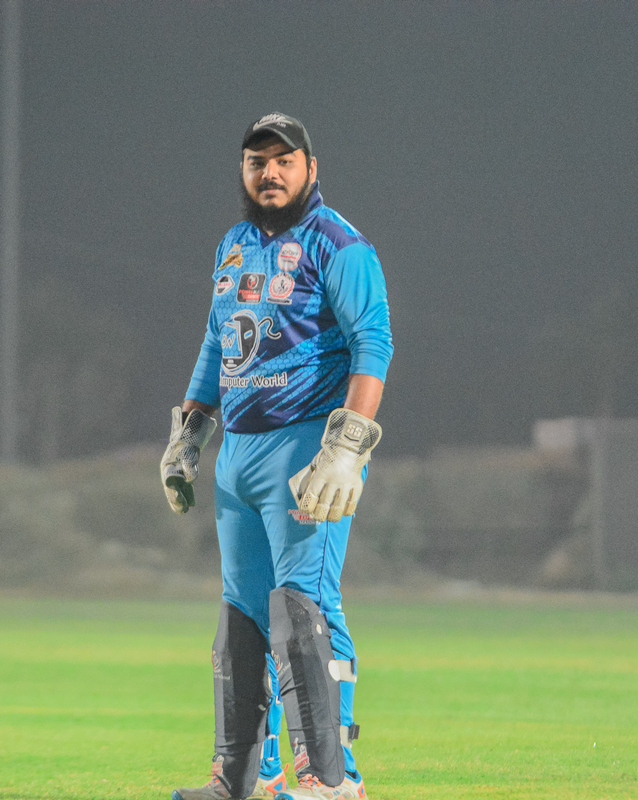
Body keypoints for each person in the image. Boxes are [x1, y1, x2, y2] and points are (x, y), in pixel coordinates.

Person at [160, 113, 393, 800]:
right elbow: (217, 343)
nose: (270, 172)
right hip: (238, 451)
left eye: (284, 160)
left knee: (303, 606)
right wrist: (189, 434)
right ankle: (243, 777)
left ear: (310, 169)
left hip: (305, 445)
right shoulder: (234, 244)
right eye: (257, 161)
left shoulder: (338, 243)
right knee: (243, 616)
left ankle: (331, 778)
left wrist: (346, 447)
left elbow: (373, 341)